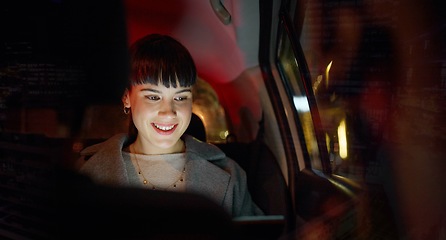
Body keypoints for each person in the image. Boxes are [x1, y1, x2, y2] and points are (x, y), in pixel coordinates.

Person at [77, 33, 263, 217]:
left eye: (180, 97)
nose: (168, 112)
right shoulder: (87, 175)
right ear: (127, 98)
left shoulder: (229, 175)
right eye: (153, 97)